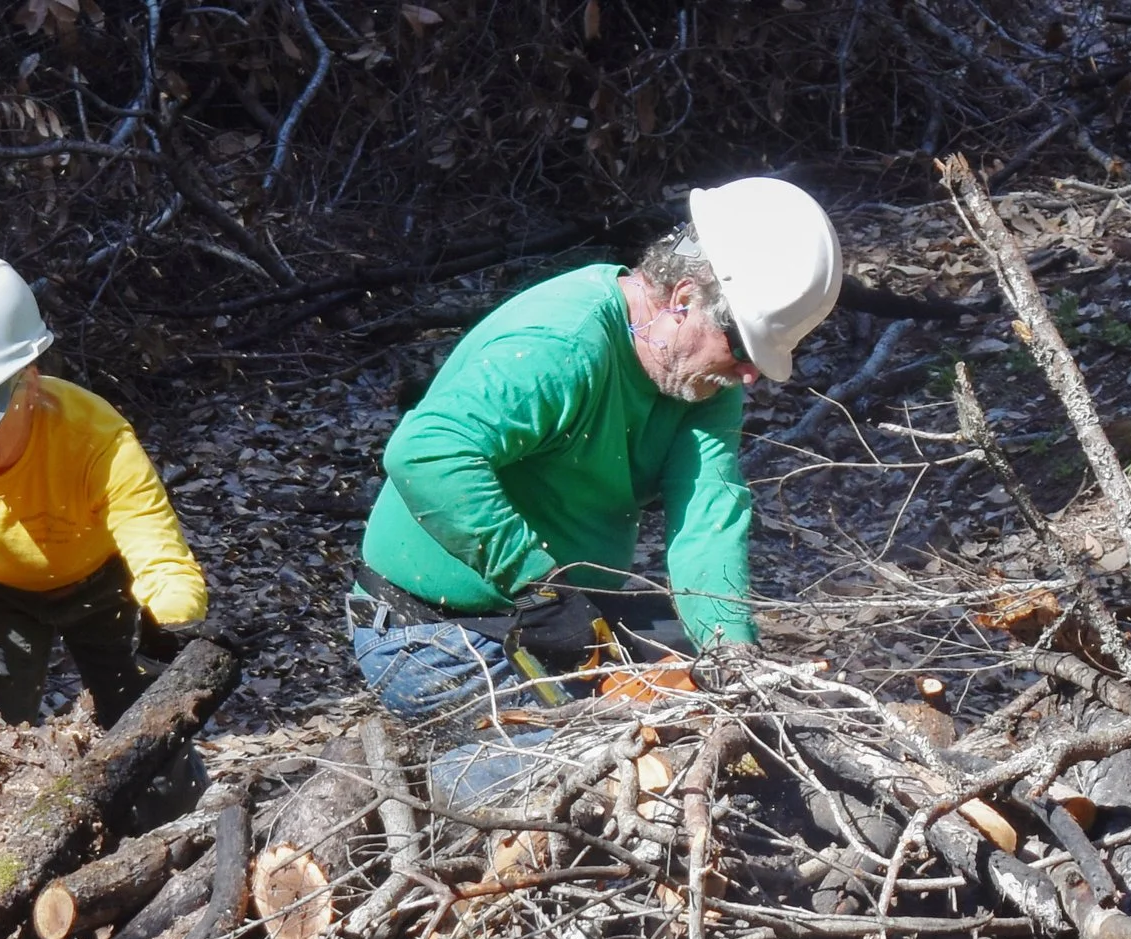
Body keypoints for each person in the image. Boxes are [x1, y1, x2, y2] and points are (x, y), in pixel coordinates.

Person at [347, 176, 842, 750]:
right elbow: (426, 450)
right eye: (743, 350)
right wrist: (536, 585)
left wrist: (732, 658)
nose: (750, 375)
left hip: (572, 615)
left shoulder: (704, 381)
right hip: (432, 628)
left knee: (725, 740)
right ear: (684, 301)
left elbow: (708, 517)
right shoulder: (565, 345)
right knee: (577, 779)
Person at [0, 250, 212, 725]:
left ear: (28, 384)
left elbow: (158, 555)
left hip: (102, 584)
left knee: (149, 726)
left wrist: (173, 623)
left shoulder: (96, 439)